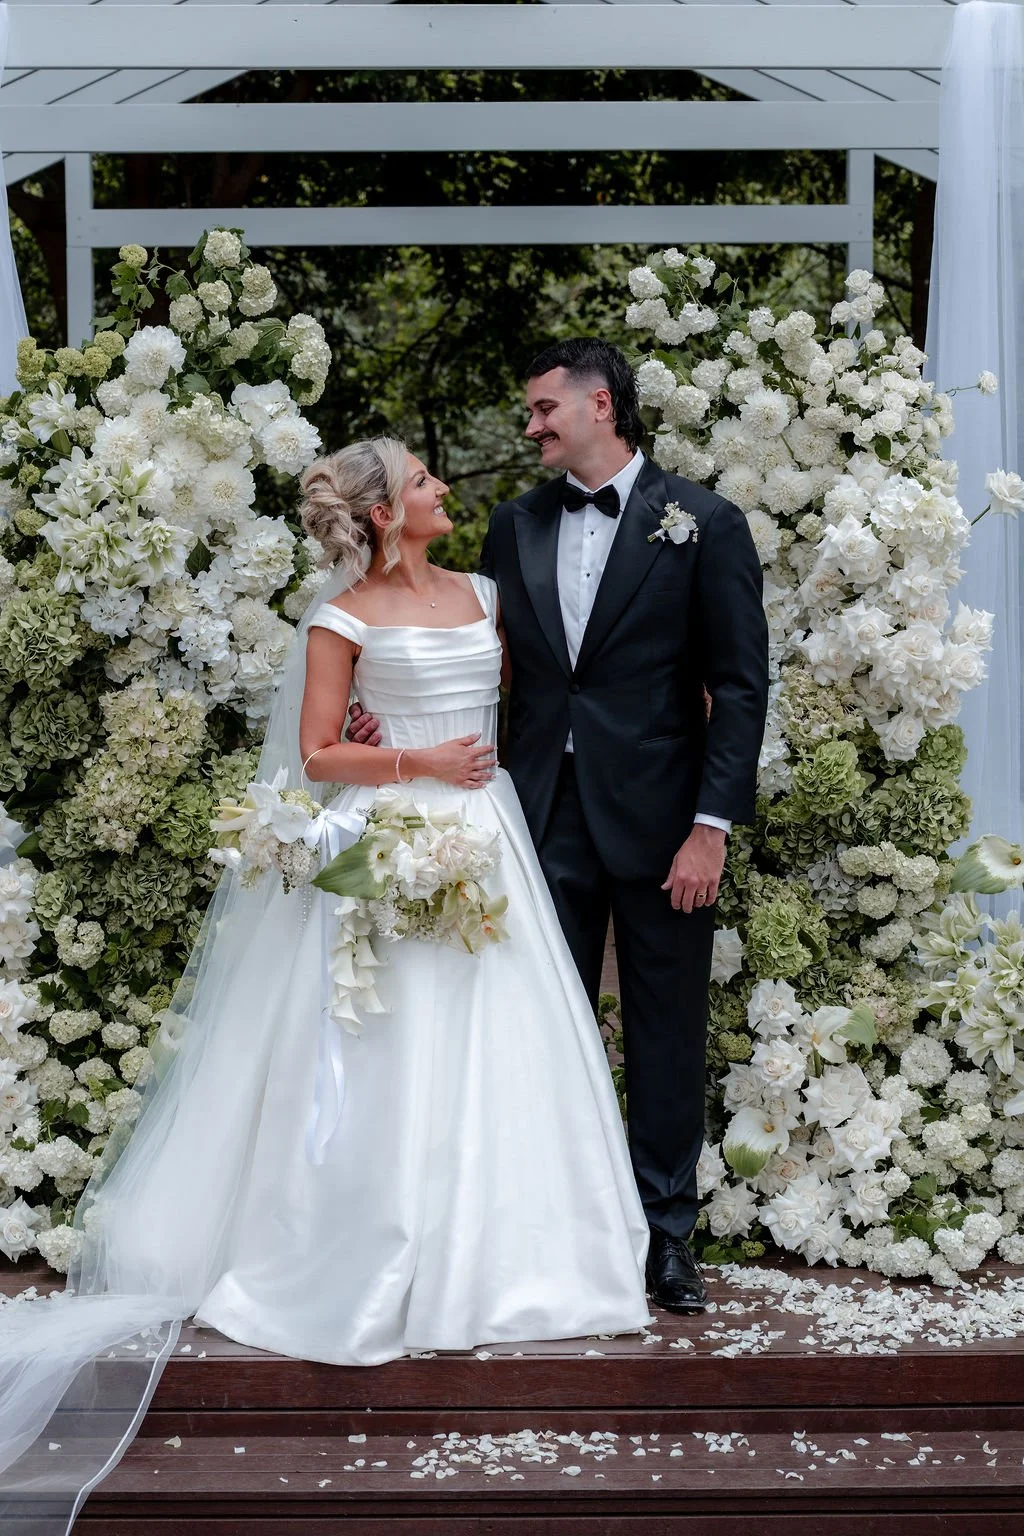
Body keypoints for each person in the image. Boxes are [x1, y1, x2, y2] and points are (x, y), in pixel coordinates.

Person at [0, 437, 652, 1531]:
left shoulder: (487, 591)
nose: (446, 491)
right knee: (381, 1046)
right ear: (388, 511)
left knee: (505, 1042)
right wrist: (414, 763)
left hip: (486, 843)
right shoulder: (339, 618)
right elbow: (314, 754)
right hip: (389, 840)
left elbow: (535, 702)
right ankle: (364, 1251)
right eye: (427, 482)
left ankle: (516, 1259)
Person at [350, 341, 769, 1314]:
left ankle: (668, 1239)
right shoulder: (513, 524)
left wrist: (709, 827)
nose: (531, 426)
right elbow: (483, 662)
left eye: (543, 409)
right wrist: (385, 724)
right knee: (542, 1031)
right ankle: (561, 1238)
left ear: (598, 407)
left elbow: (741, 687)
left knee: (666, 1034)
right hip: (535, 823)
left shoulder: (703, 524)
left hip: (667, 827)